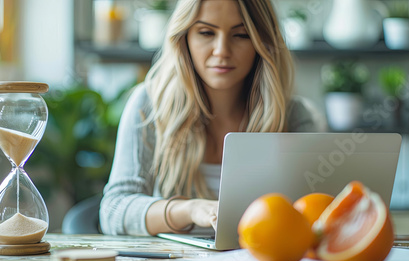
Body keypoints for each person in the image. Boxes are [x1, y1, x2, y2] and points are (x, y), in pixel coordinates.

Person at [100, 0, 319, 236]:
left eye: (241, 35)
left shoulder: (294, 115)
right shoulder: (149, 105)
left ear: (262, 42)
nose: (222, 50)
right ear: (184, 37)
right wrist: (190, 209)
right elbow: (113, 211)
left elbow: (316, 216)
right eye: (206, 32)